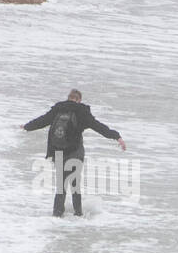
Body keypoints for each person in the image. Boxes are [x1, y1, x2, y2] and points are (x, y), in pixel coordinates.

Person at [21, 89, 125, 217]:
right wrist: (116, 136)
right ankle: (78, 214)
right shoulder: (82, 111)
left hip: (58, 151)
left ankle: (57, 215)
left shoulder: (58, 109)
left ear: (68, 97)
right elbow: (99, 127)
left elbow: (42, 121)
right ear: (79, 99)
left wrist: (27, 126)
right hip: (75, 152)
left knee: (61, 186)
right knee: (75, 184)